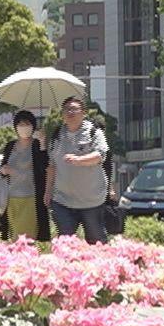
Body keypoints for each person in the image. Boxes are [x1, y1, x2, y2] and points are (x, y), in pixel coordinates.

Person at [44, 96, 111, 243]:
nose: (70, 112)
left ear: (83, 113)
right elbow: (52, 166)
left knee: (97, 242)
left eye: (74, 109)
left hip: (91, 200)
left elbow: (100, 155)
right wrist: (47, 191)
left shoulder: (95, 132)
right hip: (62, 200)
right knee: (66, 243)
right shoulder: (56, 136)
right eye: (67, 109)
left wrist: (79, 160)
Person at [0, 110, 47, 241]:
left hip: (31, 198)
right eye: (20, 124)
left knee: (27, 238)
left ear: (33, 126)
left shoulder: (37, 145)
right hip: (11, 198)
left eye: (27, 124)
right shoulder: (10, 146)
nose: (23, 127)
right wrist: (3, 170)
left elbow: (43, 169)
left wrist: (43, 143)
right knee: (13, 239)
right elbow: (2, 166)